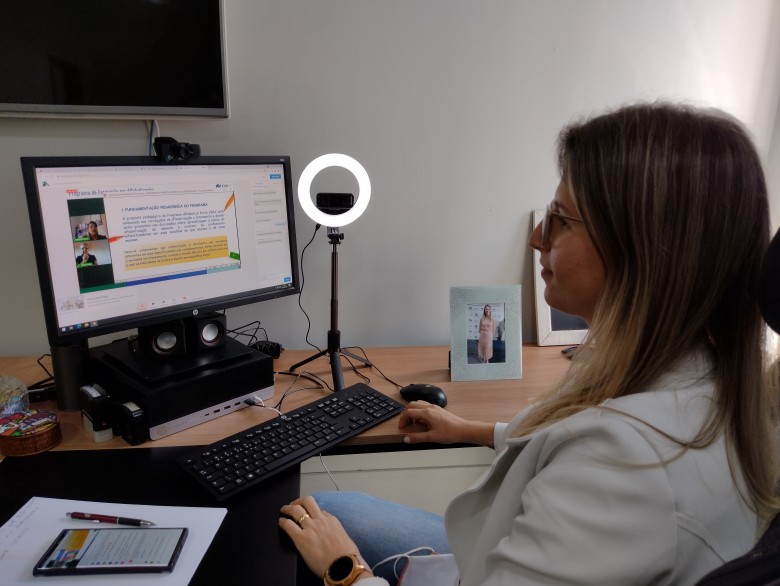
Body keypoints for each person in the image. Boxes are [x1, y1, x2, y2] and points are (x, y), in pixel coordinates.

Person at [280, 102, 780, 585]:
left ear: (641, 250)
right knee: (329, 509)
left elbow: (589, 449)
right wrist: (466, 429)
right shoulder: (703, 373)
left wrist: (346, 569)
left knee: (310, 523)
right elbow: (564, 432)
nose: (537, 236)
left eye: (561, 219)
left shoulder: (620, 471)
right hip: (489, 557)